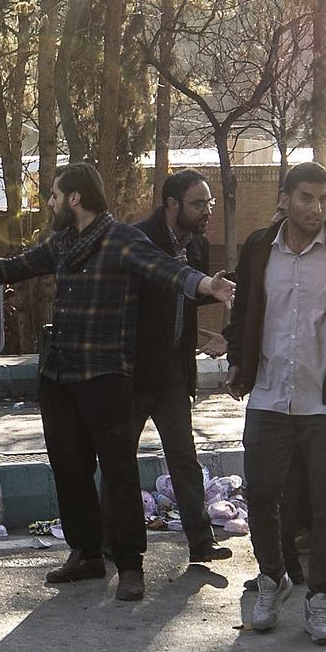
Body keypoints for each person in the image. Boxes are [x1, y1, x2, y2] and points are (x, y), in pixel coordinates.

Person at [0, 165, 232, 602]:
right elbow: (9, 268)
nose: (50, 202)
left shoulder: (122, 239)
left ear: (75, 198)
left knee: (118, 471)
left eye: (55, 195)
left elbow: (168, 271)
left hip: (106, 377)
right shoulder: (61, 243)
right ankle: (86, 554)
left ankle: (130, 565)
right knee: (69, 469)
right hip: (60, 376)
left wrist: (208, 284)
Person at [222, 162, 326, 643]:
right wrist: (237, 360)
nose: (316, 208)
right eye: (306, 198)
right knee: (261, 494)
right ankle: (271, 578)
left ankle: (321, 599)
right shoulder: (259, 247)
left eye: (323, 199)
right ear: (285, 200)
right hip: (270, 394)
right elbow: (244, 310)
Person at [126, 171, 229, 566]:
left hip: (173, 370)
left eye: (209, 203)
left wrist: (209, 328)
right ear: (172, 204)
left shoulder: (197, 244)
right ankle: (112, 541)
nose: (207, 211)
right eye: (198, 204)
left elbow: (193, 296)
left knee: (184, 456)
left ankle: (201, 541)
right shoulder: (139, 239)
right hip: (135, 371)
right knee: (121, 459)